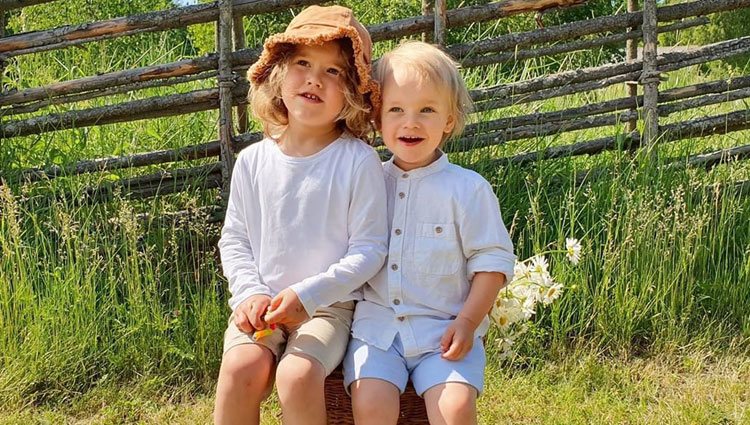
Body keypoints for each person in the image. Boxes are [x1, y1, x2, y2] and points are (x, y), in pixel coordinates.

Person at [213, 6, 387, 425]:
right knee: (240, 369)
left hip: (327, 308)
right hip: (262, 304)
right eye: (303, 64)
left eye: (333, 72)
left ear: (353, 93)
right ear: (278, 75)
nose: (314, 78)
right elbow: (235, 239)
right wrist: (249, 294)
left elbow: (369, 251)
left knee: (297, 372)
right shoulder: (253, 161)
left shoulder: (356, 162)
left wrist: (308, 296)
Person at [343, 41, 516, 425]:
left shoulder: (467, 189)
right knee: (370, 403)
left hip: (444, 332)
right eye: (396, 110)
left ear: (449, 121)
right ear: (377, 118)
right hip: (377, 331)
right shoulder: (367, 181)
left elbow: (491, 262)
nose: (411, 122)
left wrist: (468, 322)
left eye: (427, 110)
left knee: (454, 409)